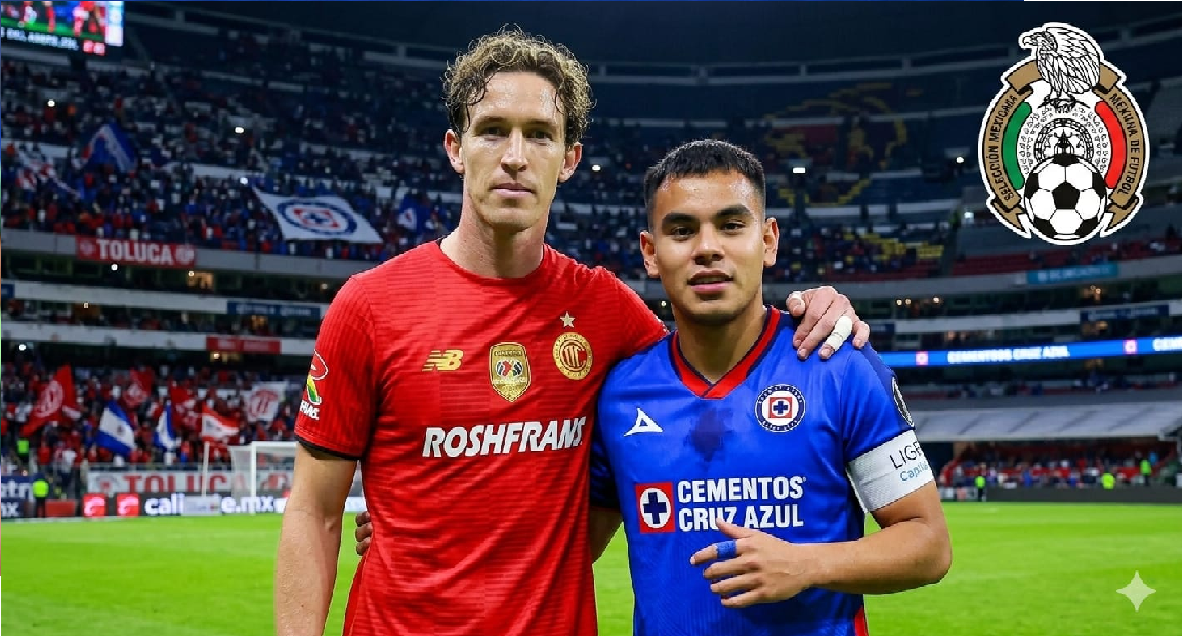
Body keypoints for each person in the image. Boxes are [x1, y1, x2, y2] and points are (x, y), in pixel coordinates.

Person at [275, 28, 869, 636]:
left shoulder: (606, 310)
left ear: (569, 158)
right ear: (456, 148)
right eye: (492, 130)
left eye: (539, 134)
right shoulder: (369, 307)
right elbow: (314, 512)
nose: (514, 156)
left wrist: (819, 308)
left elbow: (714, 358)